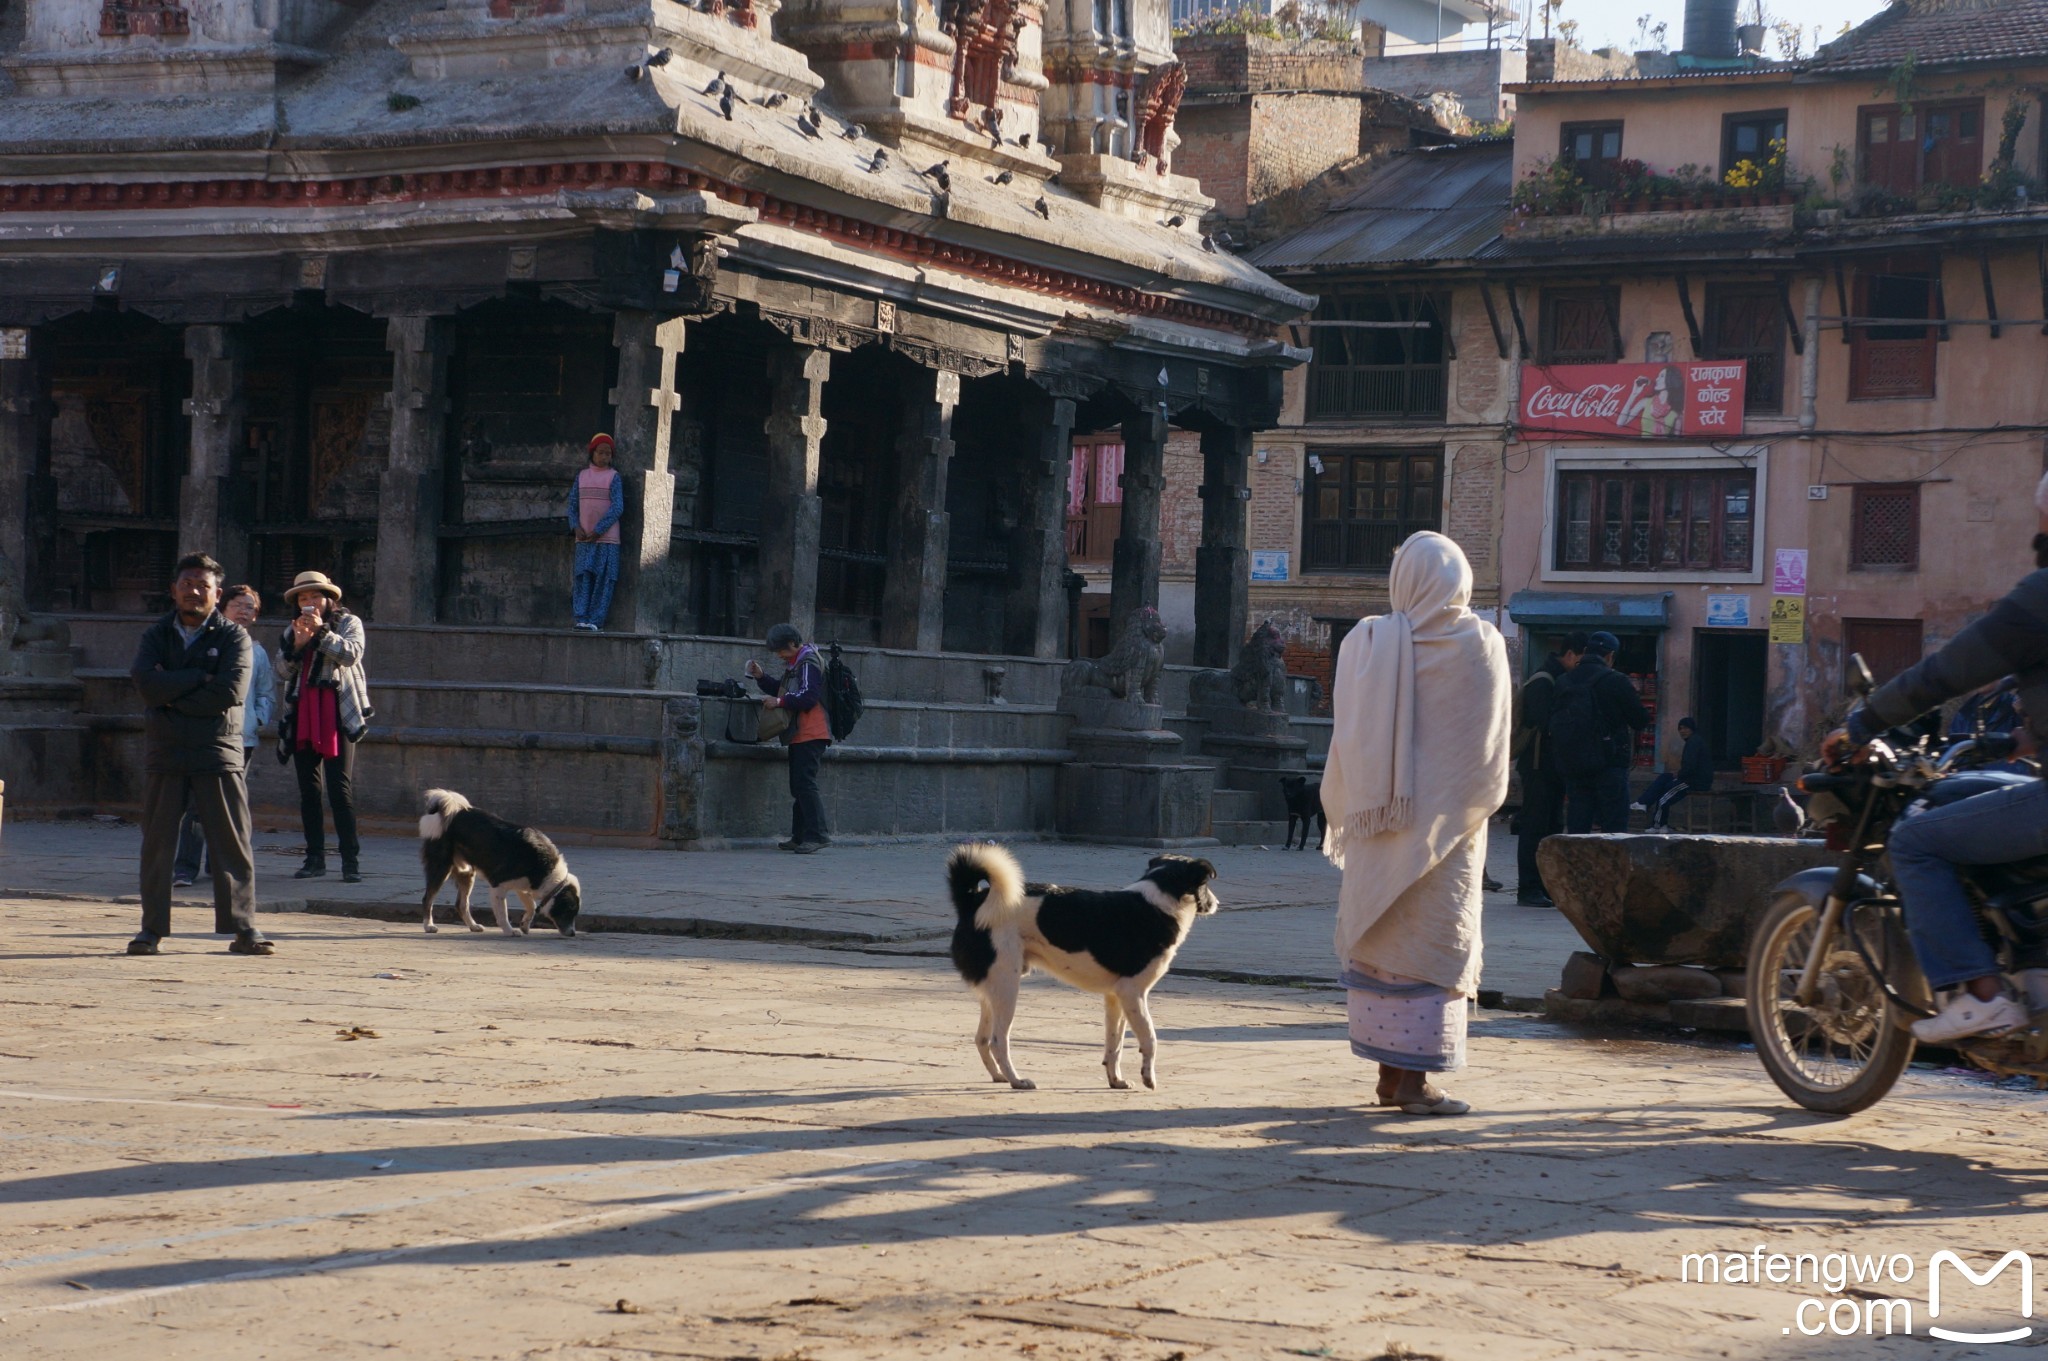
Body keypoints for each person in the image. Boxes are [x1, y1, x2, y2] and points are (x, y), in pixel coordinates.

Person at [1829, 471, 2048, 1043]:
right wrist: (2023, 741)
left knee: (1917, 840)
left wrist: (1864, 722)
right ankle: (2033, 964)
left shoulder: (2041, 596)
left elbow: (1946, 671)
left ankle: (1982, 997)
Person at [1322, 532, 1511, 1117]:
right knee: (1429, 949)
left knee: (1383, 945)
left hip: (1376, 825)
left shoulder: (1365, 641)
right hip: (1444, 830)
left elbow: (1347, 735)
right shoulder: (1479, 643)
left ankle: (1388, 1077)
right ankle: (1415, 1085)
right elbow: (1484, 747)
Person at [128, 553, 270, 956]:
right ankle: (151, 929)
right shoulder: (156, 634)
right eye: (186, 583)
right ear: (173, 590)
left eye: (202, 585)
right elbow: (145, 684)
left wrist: (171, 696)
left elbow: (228, 692)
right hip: (167, 750)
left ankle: (243, 929)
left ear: (217, 593)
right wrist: (196, 678)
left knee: (232, 842)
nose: (193, 591)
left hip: (218, 748)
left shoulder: (233, 636)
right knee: (157, 843)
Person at [172, 585, 273, 887]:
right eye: (239, 605)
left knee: (231, 804)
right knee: (196, 803)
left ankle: (221, 865)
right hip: (206, 733)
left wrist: (258, 719)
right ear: (223, 606)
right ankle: (185, 867)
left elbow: (266, 692)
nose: (244, 611)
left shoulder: (258, 652)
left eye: (251, 607)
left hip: (242, 737)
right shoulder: (205, 643)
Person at [278, 570, 370, 883]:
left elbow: (351, 654)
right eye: (303, 598)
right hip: (303, 711)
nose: (310, 602)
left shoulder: (349, 623)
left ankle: (350, 861)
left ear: (329, 598)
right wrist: (299, 644)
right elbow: (282, 669)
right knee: (309, 790)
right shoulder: (292, 629)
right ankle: (314, 858)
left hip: (337, 712)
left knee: (339, 789)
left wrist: (320, 634)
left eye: (315, 596)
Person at [1550, 630, 1650, 833]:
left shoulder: (1564, 682)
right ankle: (1609, 865)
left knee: (1578, 824)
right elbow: (1640, 720)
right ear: (1610, 656)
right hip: (1610, 763)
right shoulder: (1617, 681)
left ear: (1586, 651)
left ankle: (1576, 864)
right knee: (1614, 828)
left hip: (1575, 764)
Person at [749, 622, 831, 853]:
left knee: (805, 784)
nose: (780, 655)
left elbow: (808, 696)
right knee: (798, 786)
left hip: (812, 732)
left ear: (794, 644)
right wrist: (762, 677)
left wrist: (779, 702)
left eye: (782, 650)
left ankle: (818, 835)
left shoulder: (808, 661)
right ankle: (800, 836)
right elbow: (784, 690)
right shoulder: (796, 663)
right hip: (799, 733)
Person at [1511, 646, 1572, 906]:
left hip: (1548, 767)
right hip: (1537, 766)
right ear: (1571, 654)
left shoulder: (1552, 679)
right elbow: (1541, 721)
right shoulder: (1544, 681)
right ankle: (1529, 888)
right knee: (1535, 827)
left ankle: (1543, 886)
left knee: (1551, 826)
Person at [569, 432, 624, 631]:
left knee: (604, 579)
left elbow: (618, 507)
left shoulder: (614, 478)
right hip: (584, 539)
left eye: (608, 454)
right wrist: (575, 526)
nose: (604, 457)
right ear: (592, 453)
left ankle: (595, 620)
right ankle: (581, 618)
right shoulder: (582, 477)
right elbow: (572, 504)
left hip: (607, 539)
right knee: (583, 577)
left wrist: (599, 530)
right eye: (600, 453)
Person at [1633, 716, 1712, 832]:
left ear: (1692, 729)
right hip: (1689, 778)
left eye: (1685, 728)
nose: (1682, 731)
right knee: (1664, 778)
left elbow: (1690, 767)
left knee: (1664, 797)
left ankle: (1658, 825)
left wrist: (1679, 775)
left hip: (1694, 782)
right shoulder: (1693, 742)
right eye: (1680, 728)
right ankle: (1644, 803)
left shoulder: (1694, 742)